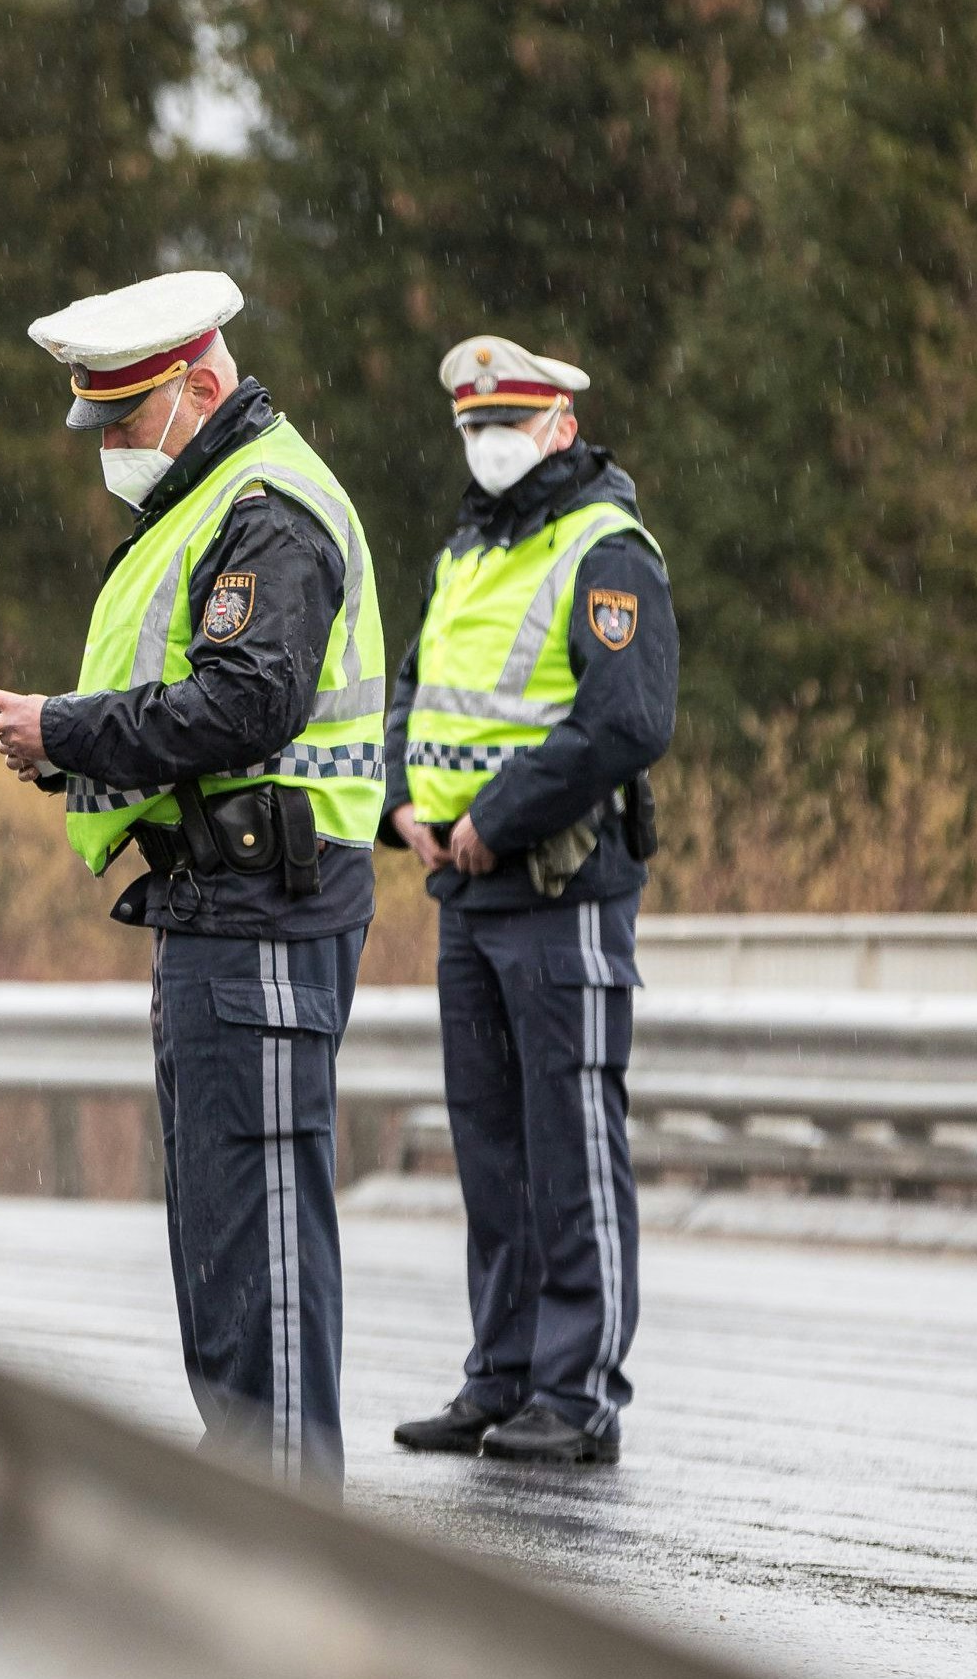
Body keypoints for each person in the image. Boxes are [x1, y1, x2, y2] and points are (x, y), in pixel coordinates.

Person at [0, 270, 385, 1492]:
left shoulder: (266, 508)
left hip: (263, 903)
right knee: (221, 1229)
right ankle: (250, 1503)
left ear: (201, 386)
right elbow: (194, 712)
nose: (111, 448)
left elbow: (248, 701)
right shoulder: (212, 501)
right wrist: (59, 745)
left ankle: (290, 1526)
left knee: (257, 1232)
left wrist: (72, 729)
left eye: (128, 418)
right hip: (217, 900)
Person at [380, 335, 675, 1468]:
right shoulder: (466, 547)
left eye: (505, 423)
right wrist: (398, 803)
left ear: (558, 425)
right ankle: (499, 1376)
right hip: (460, 889)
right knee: (490, 1147)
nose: (486, 444)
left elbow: (623, 721)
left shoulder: (605, 548)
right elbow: (414, 688)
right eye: (470, 426)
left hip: (559, 891)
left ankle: (578, 1391)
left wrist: (491, 819)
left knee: (569, 1143)